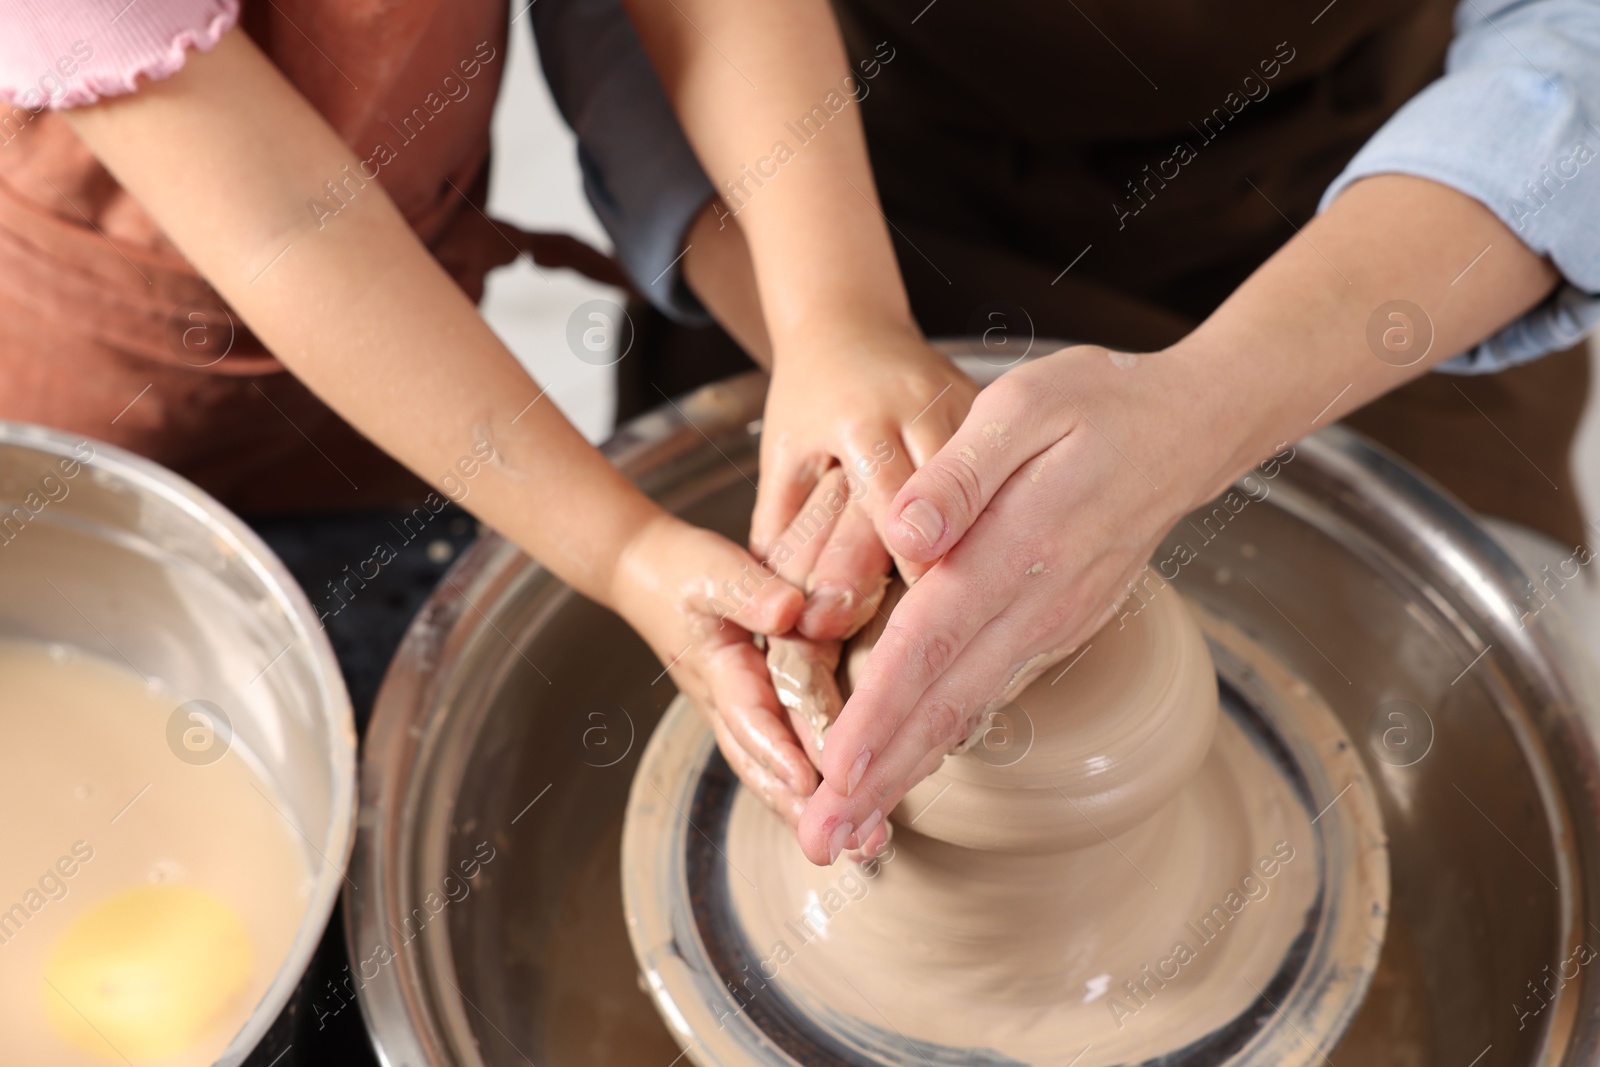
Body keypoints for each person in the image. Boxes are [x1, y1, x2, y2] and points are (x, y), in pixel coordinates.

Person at [538, 0, 1600, 863]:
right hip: (827, 189)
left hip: (1377, 230)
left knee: (1492, 783)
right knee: (657, 710)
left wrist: (1210, 403)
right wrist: (829, 322)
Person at [0, 0, 966, 830]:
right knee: (131, 715)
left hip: (398, 330)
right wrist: (626, 552)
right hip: (108, 366)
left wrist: (830, 321)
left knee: (375, 547)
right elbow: (291, 222)